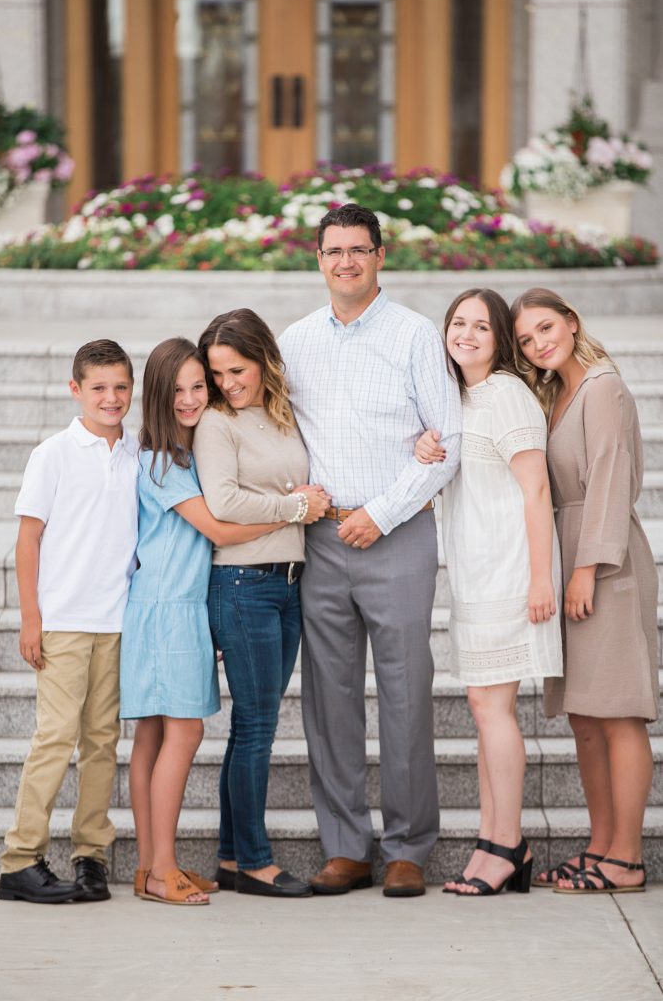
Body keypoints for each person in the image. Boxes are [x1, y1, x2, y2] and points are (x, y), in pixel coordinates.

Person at [278, 203, 462, 898]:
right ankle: (345, 847)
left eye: (359, 249)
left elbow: (447, 441)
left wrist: (381, 515)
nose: (346, 261)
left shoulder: (416, 336)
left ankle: (409, 846)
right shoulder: (295, 341)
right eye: (334, 251)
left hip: (398, 534)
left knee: (406, 688)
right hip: (320, 540)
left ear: (380, 256)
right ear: (317, 259)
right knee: (327, 696)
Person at [121, 337, 286, 906]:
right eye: (179, 389)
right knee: (183, 731)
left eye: (200, 386)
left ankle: (149, 867)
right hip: (168, 608)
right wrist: (291, 514)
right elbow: (218, 530)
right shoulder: (164, 461)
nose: (191, 399)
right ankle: (163, 870)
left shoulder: (187, 454)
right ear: (157, 395)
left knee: (153, 734)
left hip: (170, 604)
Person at [415, 289, 563, 896]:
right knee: (483, 709)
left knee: (492, 709)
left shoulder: (506, 395)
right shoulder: (462, 398)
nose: (467, 333)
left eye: (481, 326)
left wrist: (539, 578)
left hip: (508, 572)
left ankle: (506, 845)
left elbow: (536, 490)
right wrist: (427, 446)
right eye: (458, 322)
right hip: (474, 574)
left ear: (501, 339)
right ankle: (493, 842)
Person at [512, 287, 658, 894]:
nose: (539, 343)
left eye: (546, 328)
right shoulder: (556, 393)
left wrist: (585, 569)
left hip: (607, 564)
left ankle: (625, 857)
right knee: (585, 716)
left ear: (572, 323)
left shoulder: (603, 387)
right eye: (525, 339)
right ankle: (601, 846)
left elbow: (610, 478)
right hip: (570, 556)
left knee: (618, 713)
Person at [194, 308, 329, 899]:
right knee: (255, 728)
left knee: (253, 727)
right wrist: (295, 508)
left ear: (264, 360)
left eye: (237, 368)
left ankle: (230, 856)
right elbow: (223, 503)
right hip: (243, 586)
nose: (227, 382)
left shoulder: (281, 413)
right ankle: (253, 860)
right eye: (218, 372)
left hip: (288, 585)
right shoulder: (215, 424)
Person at [0, 340, 139, 904]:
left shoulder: (137, 453)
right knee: (55, 737)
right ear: (75, 389)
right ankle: (20, 859)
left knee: (102, 741)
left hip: (116, 619)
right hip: (61, 619)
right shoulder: (52, 453)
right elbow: (27, 540)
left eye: (121, 387)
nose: (111, 397)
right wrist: (31, 618)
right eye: (99, 387)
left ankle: (90, 857)